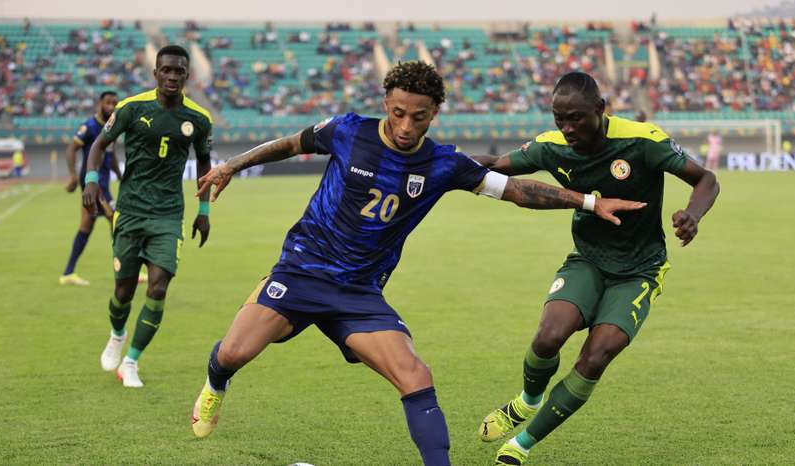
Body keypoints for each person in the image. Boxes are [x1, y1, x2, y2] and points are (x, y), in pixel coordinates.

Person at [188, 61, 644, 466]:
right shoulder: (348, 131)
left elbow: (517, 191)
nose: (406, 125)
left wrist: (588, 201)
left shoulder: (444, 163)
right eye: (398, 113)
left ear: (434, 113)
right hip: (302, 271)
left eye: (419, 116)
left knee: (416, 376)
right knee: (233, 354)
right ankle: (215, 384)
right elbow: (290, 144)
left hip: (360, 294)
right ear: (386, 103)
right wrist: (233, 165)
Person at [472, 72, 720, 466]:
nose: (567, 128)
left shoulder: (642, 141)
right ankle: (527, 400)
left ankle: (521, 445)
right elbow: (496, 166)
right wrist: (441, 165)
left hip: (639, 270)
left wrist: (693, 214)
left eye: (576, 118)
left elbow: (705, 178)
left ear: (600, 110)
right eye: (559, 119)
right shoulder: (551, 147)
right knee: (548, 337)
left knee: (597, 355)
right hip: (588, 259)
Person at [82, 45, 213, 388]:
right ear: (155, 73)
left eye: (179, 71)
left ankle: (131, 362)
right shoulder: (130, 108)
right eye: (166, 70)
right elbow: (98, 146)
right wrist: (92, 181)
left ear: (187, 75)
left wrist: (204, 209)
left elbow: (204, 163)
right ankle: (116, 334)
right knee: (123, 291)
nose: (172, 76)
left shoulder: (198, 119)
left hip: (169, 215)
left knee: (157, 287)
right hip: (130, 211)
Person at [59, 91, 122, 286]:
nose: (111, 107)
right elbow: (71, 149)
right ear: (99, 104)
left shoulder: (111, 127)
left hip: (104, 185)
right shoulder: (90, 126)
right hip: (93, 185)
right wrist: (71, 175)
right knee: (117, 221)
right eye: (107, 103)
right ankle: (127, 272)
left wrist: (121, 176)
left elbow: (111, 156)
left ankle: (68, 273)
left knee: (86, 226)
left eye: (114, 103)